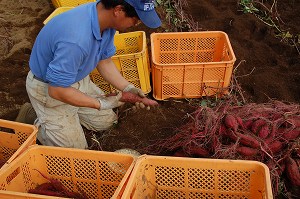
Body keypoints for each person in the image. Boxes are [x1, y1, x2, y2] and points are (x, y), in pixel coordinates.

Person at [25, 0, 161, 149]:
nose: (137, 23)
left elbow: (105, 62)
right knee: (77, 154)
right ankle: (38, 119)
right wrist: (101, 103)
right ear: (118, 10)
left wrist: (128, 88)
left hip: (78, 79)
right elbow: (57, 90)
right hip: (49, 91)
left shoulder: (104, 21)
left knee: (108, 122)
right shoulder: (76, 40)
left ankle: (64, 118)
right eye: (136, 19)